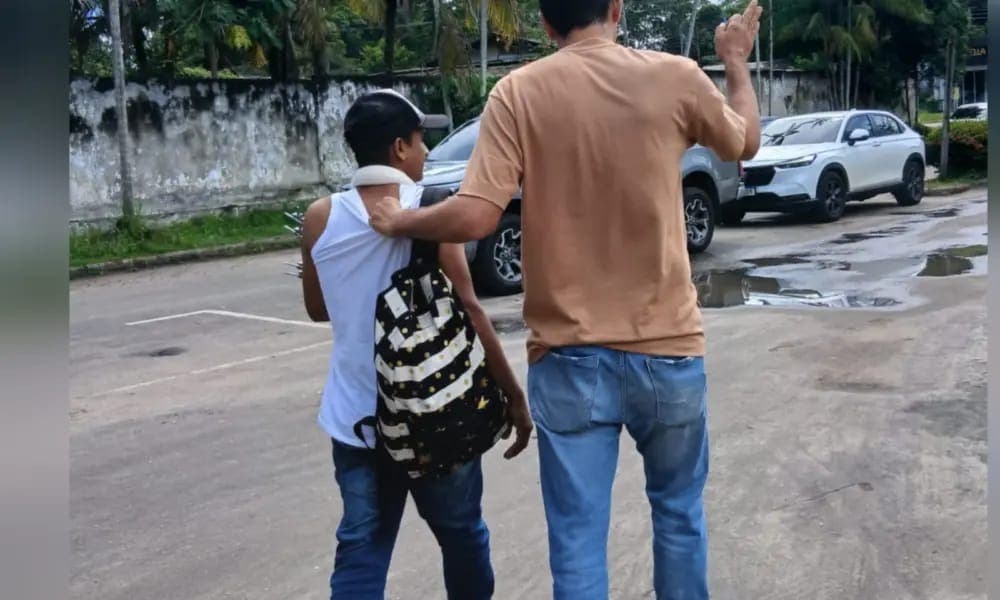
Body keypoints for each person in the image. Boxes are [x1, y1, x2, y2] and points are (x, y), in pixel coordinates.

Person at [368, 0, 764, 598]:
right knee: (679, 515)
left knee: (578, 540)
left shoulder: (518, 93)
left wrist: (399, 221)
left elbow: (475, 217)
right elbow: (744, 144)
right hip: (669, 349)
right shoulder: (677, 76)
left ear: (546, 24)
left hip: (569, 356)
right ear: (617, 8)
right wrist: (734, 61)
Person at [298, 89, 533, 600]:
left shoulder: (319, 217)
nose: (426, 152)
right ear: (399, 148)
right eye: (421, 140)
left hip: (357, 419)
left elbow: (318, 309)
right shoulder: (429, 212)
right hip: (435, 416)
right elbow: (470, 309)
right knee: (462, 536)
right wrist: (513, 396)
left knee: (361, 548)